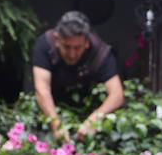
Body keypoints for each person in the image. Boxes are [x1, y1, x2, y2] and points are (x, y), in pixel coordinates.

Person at [31, 10, 125, 142]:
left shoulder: (101, 53)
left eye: (77, 48)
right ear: (57, 39)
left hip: (91, 111)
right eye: (67, 47)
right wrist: (57, 126)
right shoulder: (45, 44)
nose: (72, 54)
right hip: (50, 112)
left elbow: (117, 95)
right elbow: (42, 90)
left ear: (87, 42)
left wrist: (94, 120)